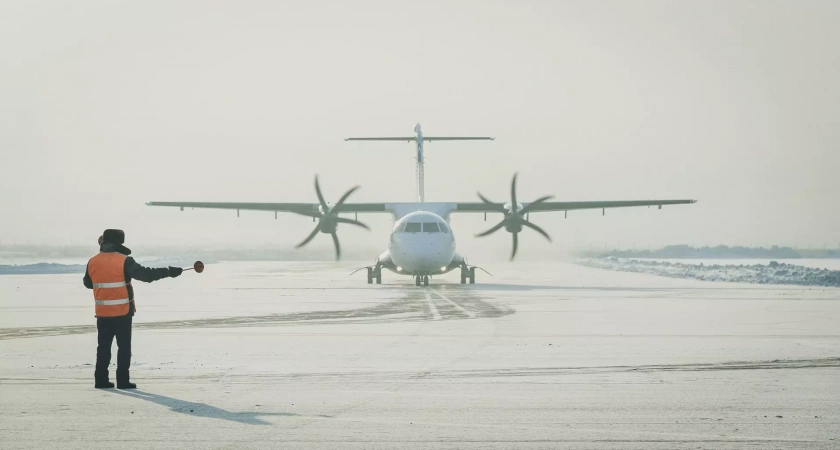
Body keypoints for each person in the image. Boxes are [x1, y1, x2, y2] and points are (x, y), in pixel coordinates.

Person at [83, 229, 183, 389]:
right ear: (119, 242)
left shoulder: (93, 261)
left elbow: (88, 283)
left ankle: (100, 380)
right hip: (123, 312)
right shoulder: (124, 261)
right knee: (124, 347)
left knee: (103, 348)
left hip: (102, 313)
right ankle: (123, 381)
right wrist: (169, 272)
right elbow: (146, 275)